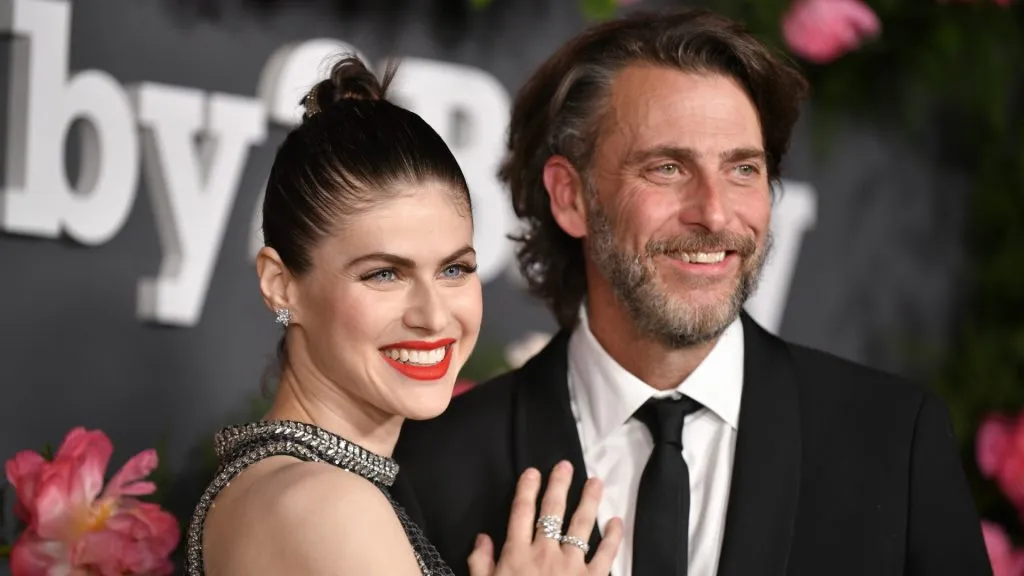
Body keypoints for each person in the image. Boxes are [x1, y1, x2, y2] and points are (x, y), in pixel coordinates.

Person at [391, 8, 994, 576]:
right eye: (667, 168)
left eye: (743, 169)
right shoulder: (437, 466)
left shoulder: (892, 440)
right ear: (570, 196)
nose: (715, 212)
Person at [184, 55, 622, 576]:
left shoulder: (279, 483)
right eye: (384, 274)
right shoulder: (328, 506)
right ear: (282, 286)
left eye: (455, 270)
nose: (434, 316)